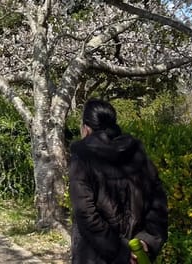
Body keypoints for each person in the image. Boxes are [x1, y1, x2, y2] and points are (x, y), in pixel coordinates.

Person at [69, 99, 168, 264]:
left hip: (94, 256)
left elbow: (85, 213)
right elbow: (158, 205)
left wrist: (120, 251)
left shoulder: (82, 157)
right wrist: (146, 241)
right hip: (137, 256)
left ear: (86, 128)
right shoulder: (137, 154)